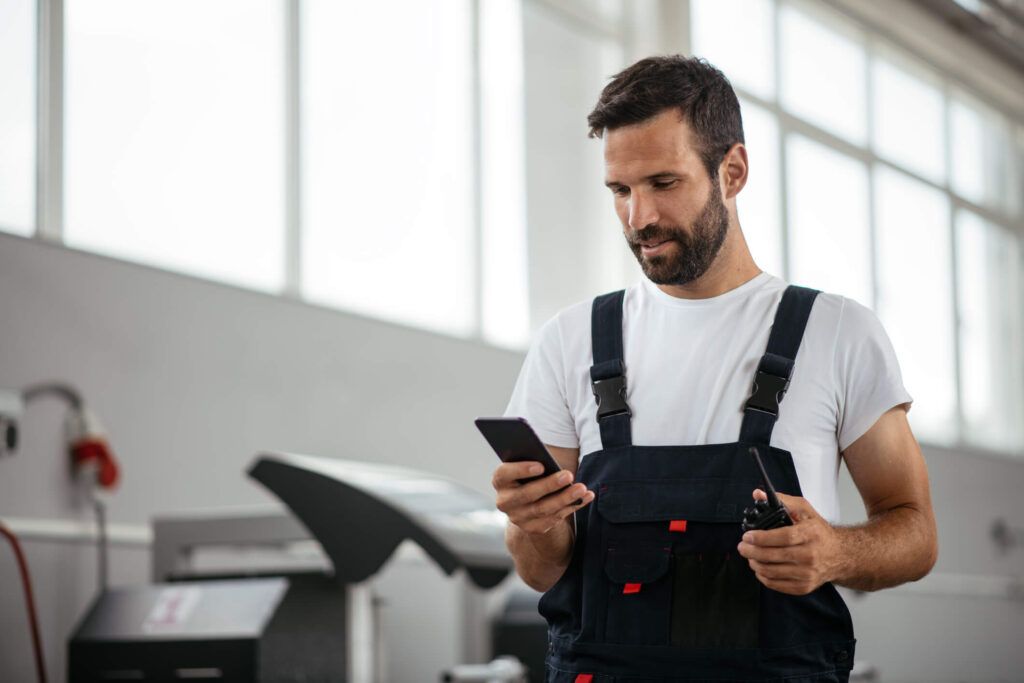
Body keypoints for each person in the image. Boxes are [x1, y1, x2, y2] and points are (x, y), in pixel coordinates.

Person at [491, 55, 938, 682]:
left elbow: (916, 536)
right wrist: (531, 524)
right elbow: (540, 571)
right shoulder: (571, 341)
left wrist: (836, 551)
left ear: (732, 171)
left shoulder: (836, 332)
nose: (638, 218)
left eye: (663, 184)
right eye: (620, 190)